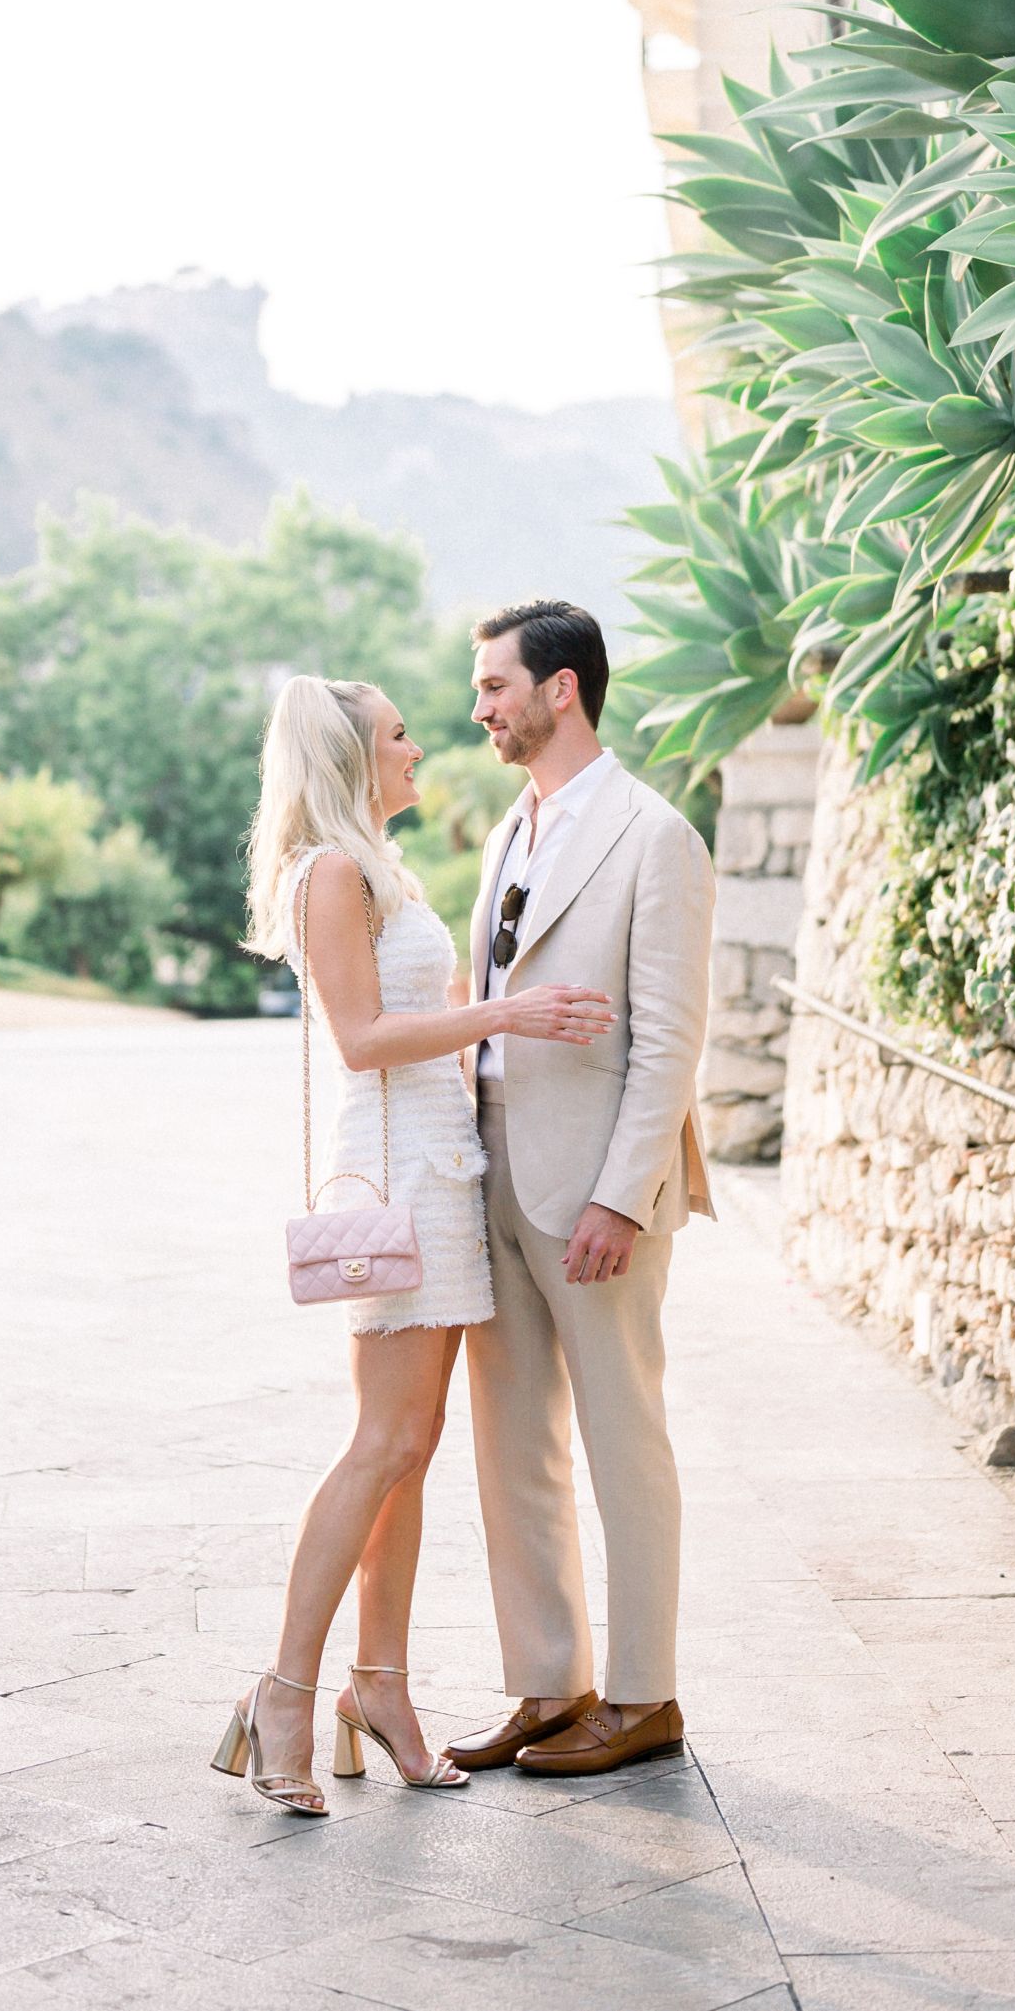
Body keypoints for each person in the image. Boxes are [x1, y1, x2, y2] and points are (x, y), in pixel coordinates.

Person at [217, 673, 614, 1815]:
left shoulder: (375, 866)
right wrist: (507, 1014)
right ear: (353, 757)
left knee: (412, 1441)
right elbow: (362, 1038)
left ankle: (378, 1684)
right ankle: (285, 1690)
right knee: (383, 1437)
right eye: (399, 735)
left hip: (440, 1169)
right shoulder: (332, 873)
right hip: (398, 1174)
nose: (420, 747)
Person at [445, 601, 717, 1781]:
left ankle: (645, 1694)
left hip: (596, 1187)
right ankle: (552, 1684)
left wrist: (621, 1193)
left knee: (623, 1438)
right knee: (512, 1443)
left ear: (562, 690)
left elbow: (670, 1043)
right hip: (490, 1161)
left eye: (496, 684)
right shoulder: (513, 826)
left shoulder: (656, 836)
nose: (480, 706)